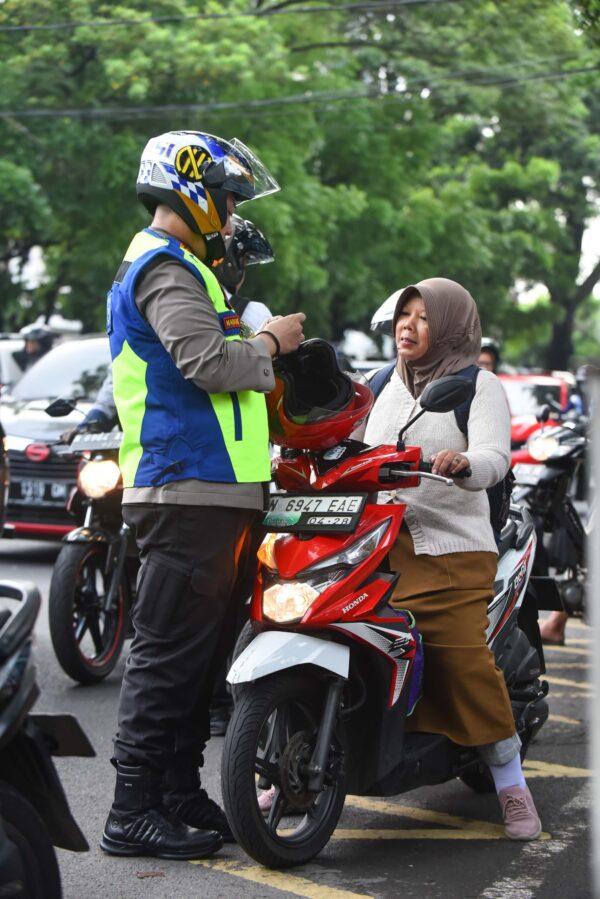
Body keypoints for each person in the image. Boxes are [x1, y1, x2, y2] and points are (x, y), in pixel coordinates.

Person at [99, 129, 305, 862]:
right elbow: (209, 363)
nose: (228, 208)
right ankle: (130, 810)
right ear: (189, 188)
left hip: (217, 496)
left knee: (199, 661)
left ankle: (177, 792)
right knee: (165, 659)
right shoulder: (162, 266)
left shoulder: (188, 268)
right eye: (224, 194)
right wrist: (274, 343)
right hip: (186, 493)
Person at [363, 278, 542, 841]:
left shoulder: (476, 384)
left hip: (451, 546)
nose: (407, 326)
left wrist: (465, 463)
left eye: (423, 317)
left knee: (459, 657)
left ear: (451, 327)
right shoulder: (376, 383)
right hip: (373, 546)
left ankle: (510, 781)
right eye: (402, 315)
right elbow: (338, 442)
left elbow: (493, 453)